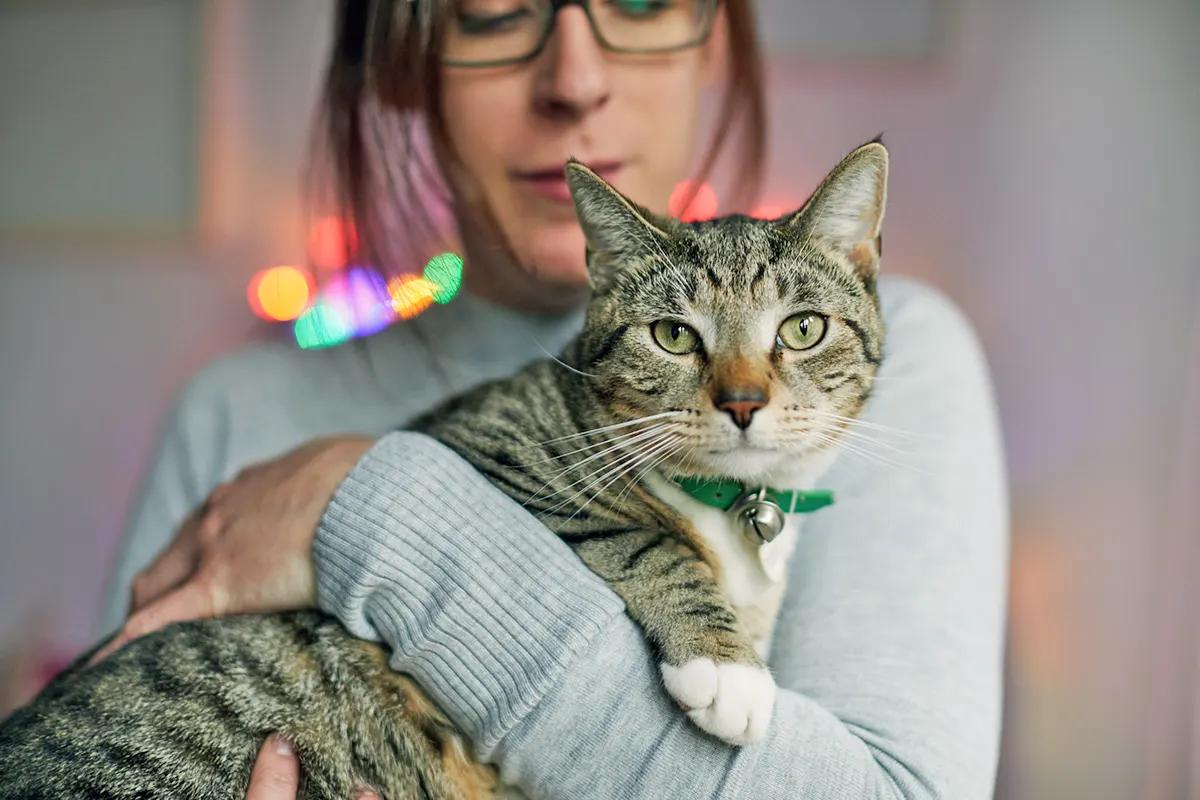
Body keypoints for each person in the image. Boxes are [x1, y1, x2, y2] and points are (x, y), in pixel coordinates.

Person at [96, 1, 1009, 798]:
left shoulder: (906, 365)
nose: (573, 82)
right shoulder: (231, 410)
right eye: (492, 14)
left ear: (712, 38)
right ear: (401, 63)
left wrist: (361, 505)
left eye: (642, 2)